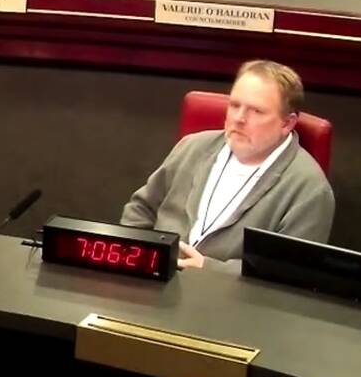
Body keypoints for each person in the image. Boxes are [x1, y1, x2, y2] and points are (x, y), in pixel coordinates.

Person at [120, 60, 334, 270]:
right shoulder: (192, 147)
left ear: (287, 123)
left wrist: (211, 271)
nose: (239, 118)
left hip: (232, 301)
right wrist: (139, 260)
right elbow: (140, 210)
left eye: (256, 111)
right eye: (234, 105)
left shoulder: (310, 190)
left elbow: (290, 270)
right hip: (155, 282)